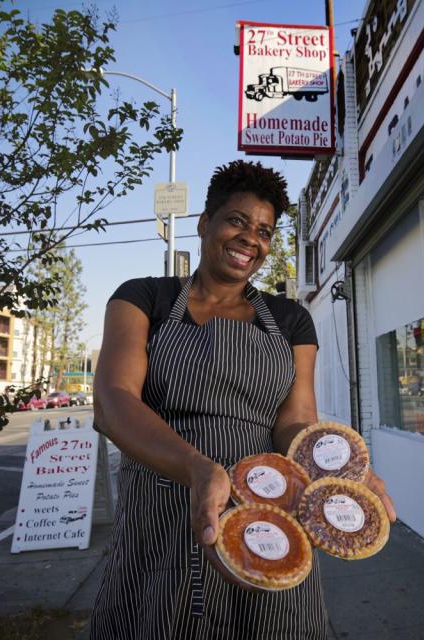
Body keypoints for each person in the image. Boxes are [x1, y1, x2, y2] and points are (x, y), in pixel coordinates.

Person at [89, 160, 396, 639]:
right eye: (237, 221)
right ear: (205, 223)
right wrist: (197, 469)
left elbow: (295, 422)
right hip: (163, 505)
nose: (251, 238)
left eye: (264, 230)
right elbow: (113, 402)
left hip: (273, 509)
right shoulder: (143, 297)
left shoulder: (290, 318)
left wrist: (341, 475)